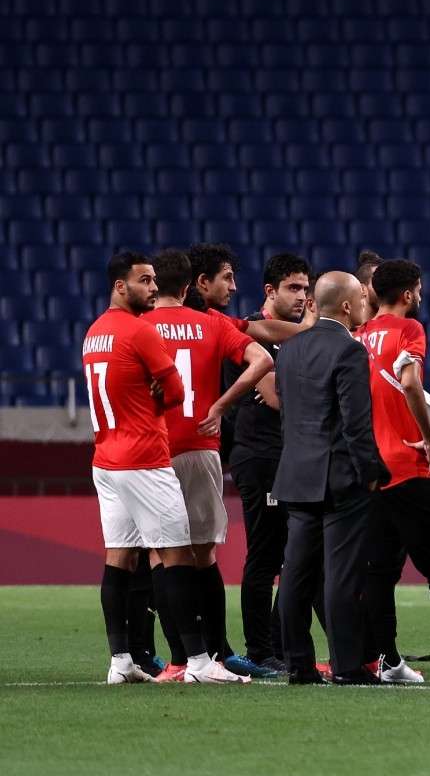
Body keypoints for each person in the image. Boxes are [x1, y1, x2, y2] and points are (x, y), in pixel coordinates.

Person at [85, 250, 238, 684]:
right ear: (121, 286)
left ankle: (120, 661)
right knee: (178, 556)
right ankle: (198, 661)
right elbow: (176, 393)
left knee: (119, 558)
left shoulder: (94, 333)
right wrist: (154, 393)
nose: (153, 288)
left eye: (154, 280)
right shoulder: (138, 332)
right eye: (144, 281)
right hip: (145, 459)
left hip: (106, 459)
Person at [143, 249, 274, 680]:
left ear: (153, 285)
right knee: (204, 555)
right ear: (187, 287)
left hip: (151, 451)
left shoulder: (136, 327)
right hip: (200, 445)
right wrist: (220, 404)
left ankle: (179, 660)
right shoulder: (212, 323)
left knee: (161, 557)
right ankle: (214, 656)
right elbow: (264, 359)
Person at [274, 270, 389, 686]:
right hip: (339, 479)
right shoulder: (349, 352)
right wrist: (372, 473)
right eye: (360, 296)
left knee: (295, 574)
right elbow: (356, 424)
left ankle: (299, 664)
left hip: (296, 474)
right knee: (340, 576)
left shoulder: (288, 350)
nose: (365, 302)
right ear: (345, 305)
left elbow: (288, 417)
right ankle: (346, 665)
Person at [357, 259, 430, 683]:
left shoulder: (360, 336)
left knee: (379, 574)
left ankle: (388, 661)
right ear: (406, 294)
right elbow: (411, 382)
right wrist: (427, 437)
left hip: (373, 471)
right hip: (411, 466)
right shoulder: (409, 330)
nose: (420, 297)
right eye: (418, 290)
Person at [229, 253, 310, 675]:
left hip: (289, 455)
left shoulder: (298, 338)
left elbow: (286, 397)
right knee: (265, 554)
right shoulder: (254, 334)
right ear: (270, 292)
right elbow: (277, 399)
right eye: (293, 288)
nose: (301, 296)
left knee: (293, 555)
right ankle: (260, 650)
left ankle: (278, 645)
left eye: (305, 288)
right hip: (261, 456)